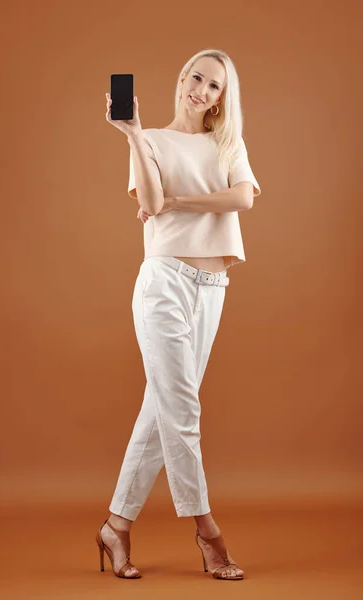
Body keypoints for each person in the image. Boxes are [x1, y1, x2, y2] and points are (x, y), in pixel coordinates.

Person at [95, 48, 262, 580]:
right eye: (198, 78)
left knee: (161, 409)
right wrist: (133, 134)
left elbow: (243, 198)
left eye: (215, 86)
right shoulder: (151, 141)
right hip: (164, 282)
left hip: (213, 286)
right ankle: (208, 531)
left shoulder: (227, 142)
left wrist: (179, 201)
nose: (203, 91)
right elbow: (146, 196)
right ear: (182, 78)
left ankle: (115, 526)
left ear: (222, 97)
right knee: (182, 407)